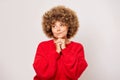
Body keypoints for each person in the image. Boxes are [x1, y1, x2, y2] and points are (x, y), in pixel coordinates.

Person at [33, 5, 88, 80]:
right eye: (54, 26)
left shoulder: (77, 48)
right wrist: (56, 53)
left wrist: (65, 49)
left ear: (69, 26)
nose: (57, 29)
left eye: (61, 25)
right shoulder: (43, 46)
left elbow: (74, 75)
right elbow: (42, 74)